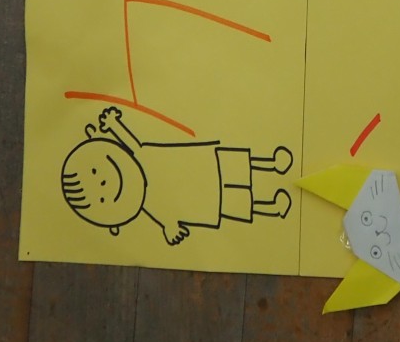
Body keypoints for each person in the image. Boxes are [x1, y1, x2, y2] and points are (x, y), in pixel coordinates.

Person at [60, 105, 292, 245]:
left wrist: (113, 124)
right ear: (114, 225)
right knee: (237, 203)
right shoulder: (151, 206)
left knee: (237, 164)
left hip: (205, 164)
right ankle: (272, 207)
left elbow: (130, 141)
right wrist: (169, 229)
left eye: (94, 171)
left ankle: (272, 164)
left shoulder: (141, 155)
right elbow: (167, 220)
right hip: (205, 203)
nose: (104, 182)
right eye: (102, 199)